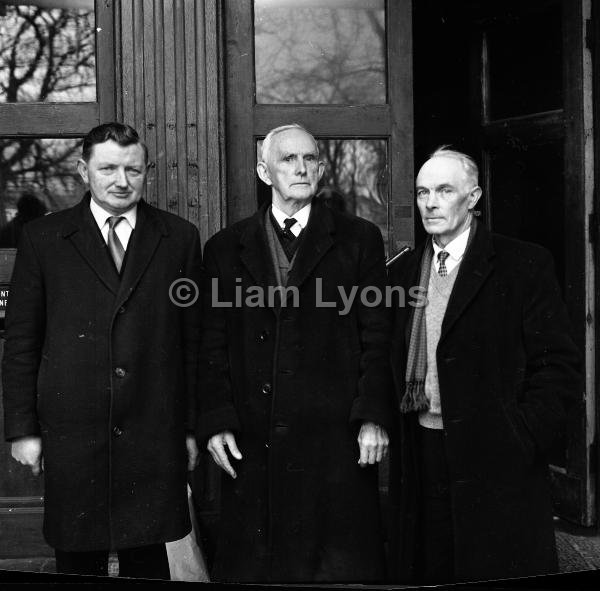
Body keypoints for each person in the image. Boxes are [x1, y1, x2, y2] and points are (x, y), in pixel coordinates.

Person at [2, 122, 202, 579]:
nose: (121, 180)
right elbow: (22, 343)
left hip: (153, 429)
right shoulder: (44, 239)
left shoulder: (179, 238)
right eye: (108, 168)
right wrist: (22, 430)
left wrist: (191, 427)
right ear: (82, 171)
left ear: (146, 171)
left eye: (133, 169)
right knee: (77, 556)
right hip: (74, 431)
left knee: (148, 557)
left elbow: (193, 343)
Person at [198, 124, 393, 583]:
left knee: (336, 571)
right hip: (253, 437)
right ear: (264, 171)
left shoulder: (358, 239)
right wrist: (217, 420)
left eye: (310, 159)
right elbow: (211, 343)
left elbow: (378, 333)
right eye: (288, 160)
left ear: (322, 169)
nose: (301, 168)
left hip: (334, 439)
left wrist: (372, 417)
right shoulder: (226, 248)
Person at [387, 147, 580, 584]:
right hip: (423, 450)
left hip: (497, 454)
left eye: (444, 190)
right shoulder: (402, 274)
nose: (430, 203)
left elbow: (558, 366)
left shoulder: (522, 264)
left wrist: (522, 435)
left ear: (473, 198)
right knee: (431, 567)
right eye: (422, 192)